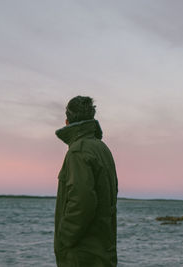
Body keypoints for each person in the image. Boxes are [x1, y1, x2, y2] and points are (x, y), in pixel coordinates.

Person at [54, 96, 118, 267]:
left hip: (83, 254)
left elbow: (82, 200)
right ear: (91, 118)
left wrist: (65, 237)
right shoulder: (102, 148)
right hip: (103, 249)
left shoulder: (78, 151)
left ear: (67, 121)